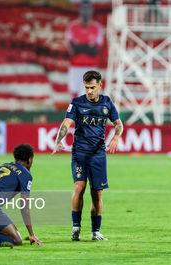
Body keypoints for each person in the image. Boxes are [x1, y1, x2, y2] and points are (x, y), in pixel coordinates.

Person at [52, 70, 123, 241]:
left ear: (100, 85)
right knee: (79, 187)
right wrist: (59, 139)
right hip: (80, 153)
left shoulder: (107, 103)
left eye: (92, 87)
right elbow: (67, 122)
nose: (89, 91)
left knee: (96, 193)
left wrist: (115, 136)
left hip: (98, 154)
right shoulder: (77, 102)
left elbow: (118, 123)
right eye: (86, 88)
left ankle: (95, 232)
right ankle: (76, 228)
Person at [65, 0, 104, 97]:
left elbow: (95, 50)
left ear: (92, 10)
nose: (85, 11)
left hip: (91, 67)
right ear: (79, 10)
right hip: (75, 67)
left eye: (87, 9)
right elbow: (72, 50)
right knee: (75, 96)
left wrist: (80, 47)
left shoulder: (98, 28)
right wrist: (87, 46)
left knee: (90, 97)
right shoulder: (72, 27)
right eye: (83, 9)